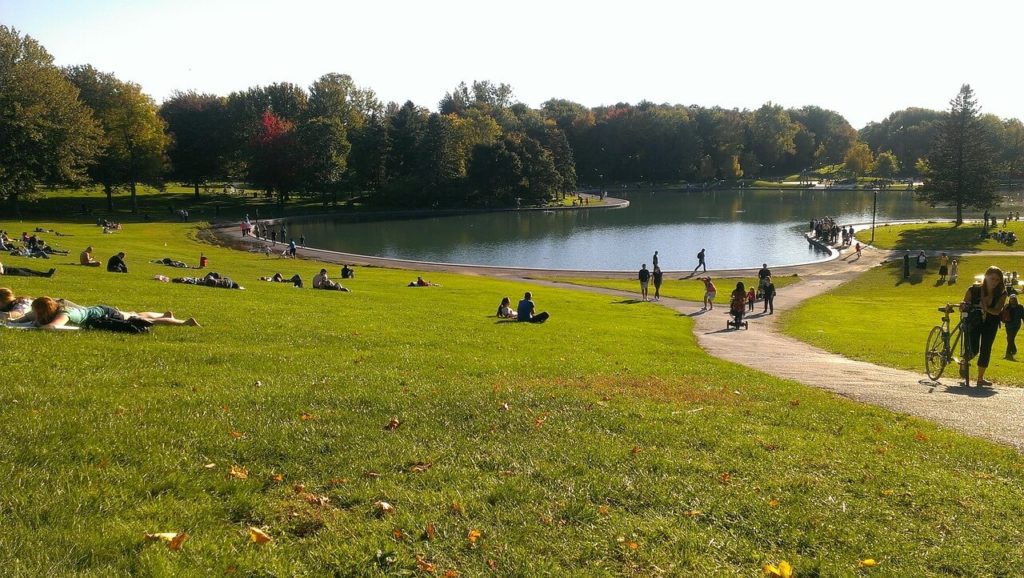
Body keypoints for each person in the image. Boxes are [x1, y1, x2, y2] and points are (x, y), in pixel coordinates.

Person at [17, 296, 199, 328]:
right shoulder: (55, 307)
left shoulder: (65, 314)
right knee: (135, 313)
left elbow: (54, 327)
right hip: (100, 309)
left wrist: (37, 326)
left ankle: (184, 322)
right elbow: (28, 317)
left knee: (140, 320)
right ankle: (164, 314)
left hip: (105, 313)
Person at [963, 266, 1007, 386]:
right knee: (974, 348)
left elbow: (997, 310)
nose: (994, 282)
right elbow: (965, 304)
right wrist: (965, 306)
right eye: (992, 278)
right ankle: (964, 362)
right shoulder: (973, 290)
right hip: (975, 321)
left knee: (986, 349)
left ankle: (980, 378)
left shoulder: (1002, 293)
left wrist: (986, 308)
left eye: (997, 280)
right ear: (986, 277)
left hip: (991, 323)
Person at [1004, 294, 1022, 360]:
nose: (1012, 300)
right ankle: (1014, 349)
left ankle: (1008, 353)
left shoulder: (1020, 307)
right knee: (1009, 338)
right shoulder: (1007, 306)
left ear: (1016, 299)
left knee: (1010, 338)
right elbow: (1003, 314)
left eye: (1013, 299)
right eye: (1011, 299)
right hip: (1008, 325)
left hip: (1016, 325)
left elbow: (1023, 316)